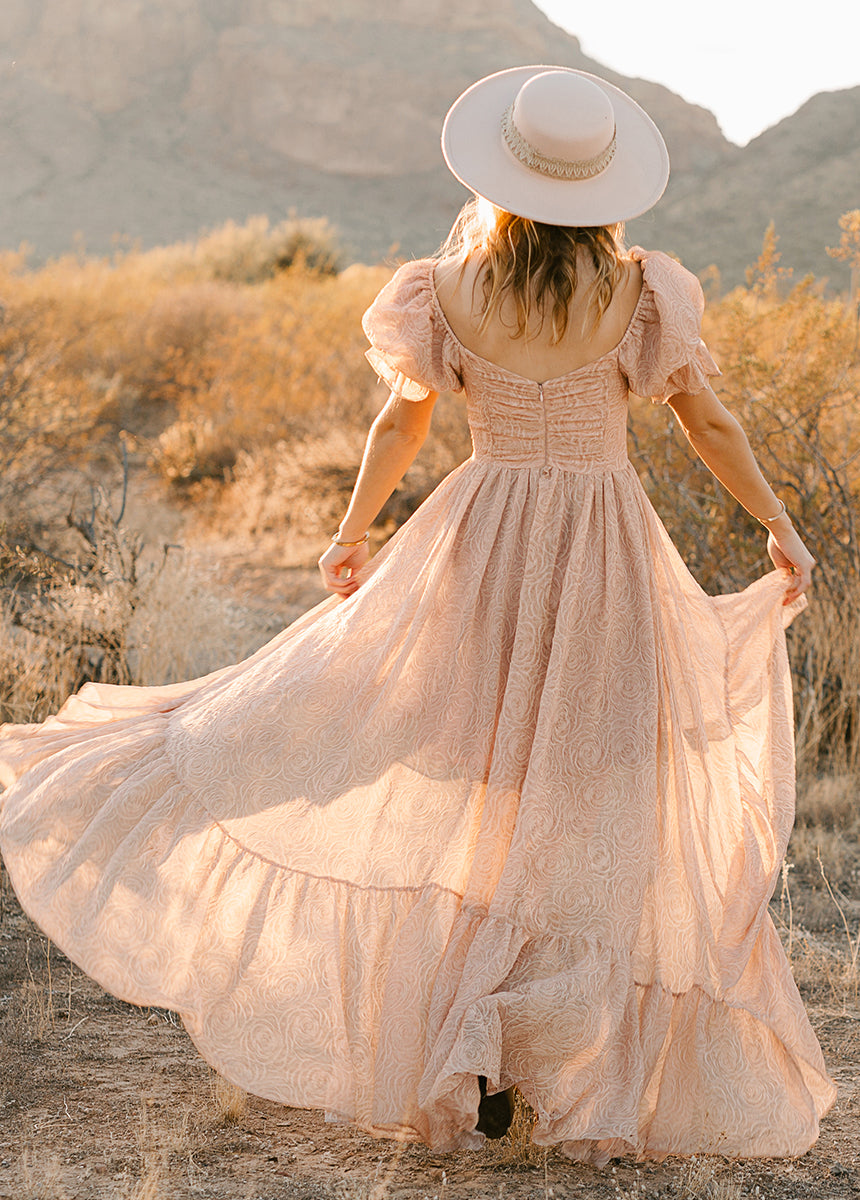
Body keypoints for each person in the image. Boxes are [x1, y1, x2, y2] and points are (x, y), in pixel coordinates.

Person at [0, 66, 835, 1164]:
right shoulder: (641, 292)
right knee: (582, 797)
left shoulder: (442, 287)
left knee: (480, 786)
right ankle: (522, 1038)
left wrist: (353, 530)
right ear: (602, 186)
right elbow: (708, 425)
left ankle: (478, 1038)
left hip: (475, 543)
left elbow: (402, 421)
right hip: (600, 550)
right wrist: (778, 522)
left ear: (501, 172)